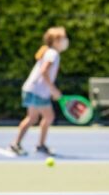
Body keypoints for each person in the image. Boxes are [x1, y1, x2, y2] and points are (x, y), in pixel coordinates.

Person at [9, 27, 68, 157]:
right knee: (48, 117)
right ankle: (38, 145)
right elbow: (43, 71)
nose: (66, 41)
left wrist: (51, 90)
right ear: (56, 41)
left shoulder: (48, 52)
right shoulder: (53, 53)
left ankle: (17, 144)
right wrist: (54, 90)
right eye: (63, 38)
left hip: (32, 89)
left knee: (32, 118)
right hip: (37, 91)